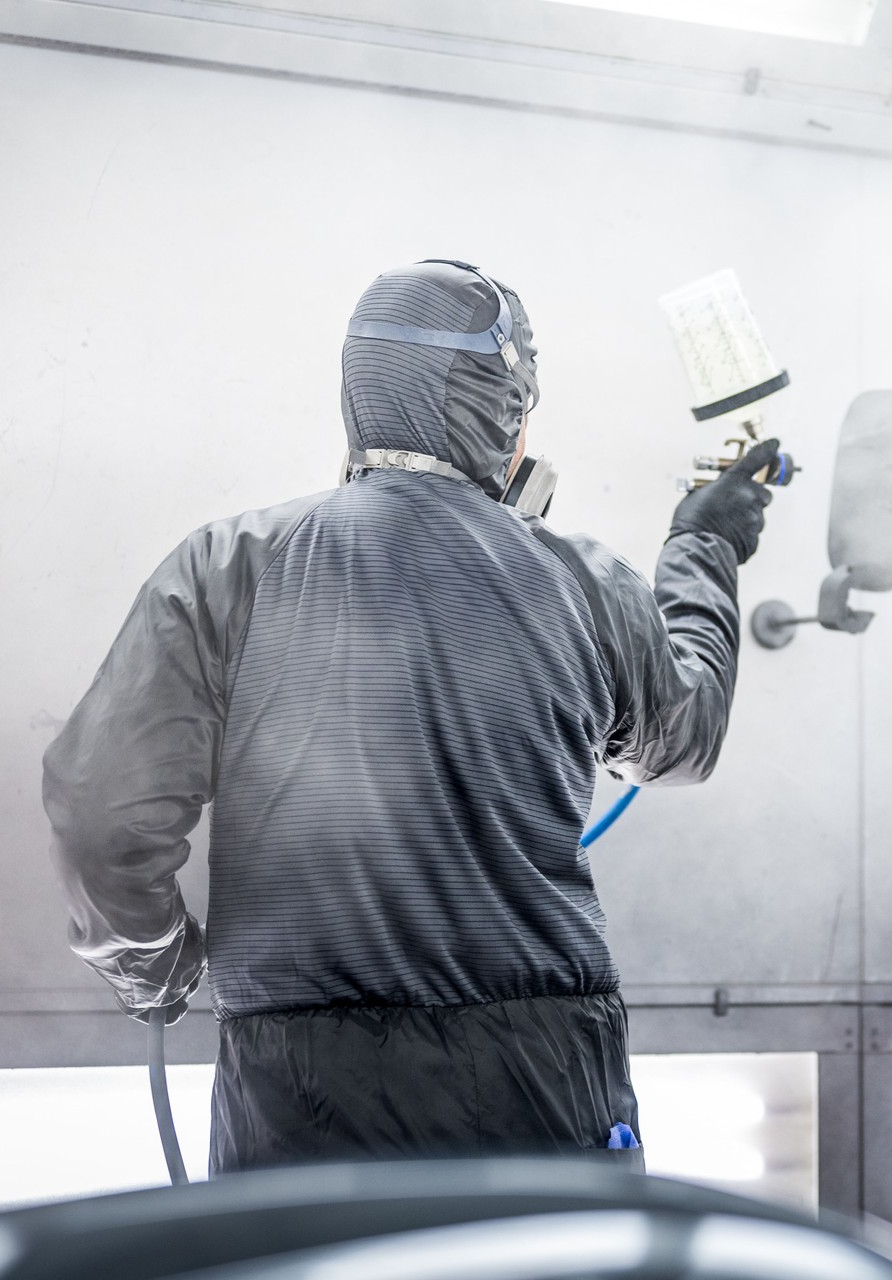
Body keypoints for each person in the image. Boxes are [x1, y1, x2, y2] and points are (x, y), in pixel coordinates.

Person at [41, 259, 777, 1173]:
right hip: (542, 1081)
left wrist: (154, 965)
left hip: (296, 1092)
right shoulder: (582, 581)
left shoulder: (224, 568)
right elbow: (687, 738)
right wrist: (706, 542)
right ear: (505, 404)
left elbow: (100, 811)